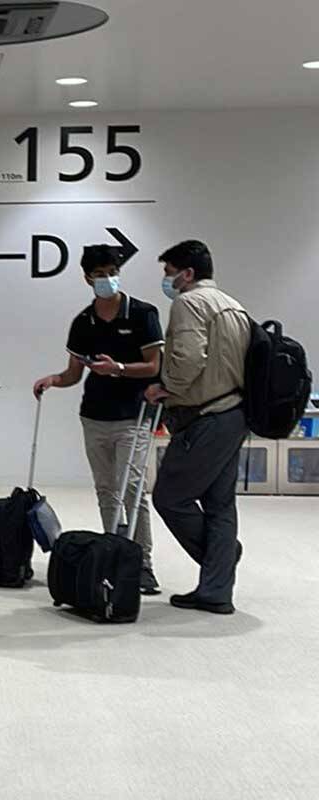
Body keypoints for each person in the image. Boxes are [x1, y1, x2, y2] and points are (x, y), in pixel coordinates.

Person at [32, 245, 165, 594]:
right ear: (87, 277)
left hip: (133, 415)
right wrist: (53, 380)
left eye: (111, 271)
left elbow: (154, 366)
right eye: (99, 273)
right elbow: (74, 373)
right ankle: (114, 553)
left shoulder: (142, 314)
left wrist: (118, 369)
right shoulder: (83, 322)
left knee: (132, 488)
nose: (107, 279)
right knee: (106, 489)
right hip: (94, 415)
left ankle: (143, 563)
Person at [146, 240, 251, 615]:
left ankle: (221, 560)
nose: (167, 279)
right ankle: (216, 590)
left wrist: (165, 387)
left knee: (170, 496)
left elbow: (189, 357)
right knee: (220, 505)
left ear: (187, 273)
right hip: (234, 413)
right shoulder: (232, 305)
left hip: (204, 417)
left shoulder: (189, 302)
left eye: (169, 272)